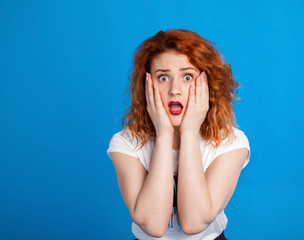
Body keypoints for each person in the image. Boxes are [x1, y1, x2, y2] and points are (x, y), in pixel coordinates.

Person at [106, 29, 250, 240]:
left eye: (188, 77)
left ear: (208, 85)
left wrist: (189, 132)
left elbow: (195, 222)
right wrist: (164, 134)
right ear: (147, 85)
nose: (175, 90)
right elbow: (153, 226)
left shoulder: (231, 142)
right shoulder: (126, 143)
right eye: (163, 77)